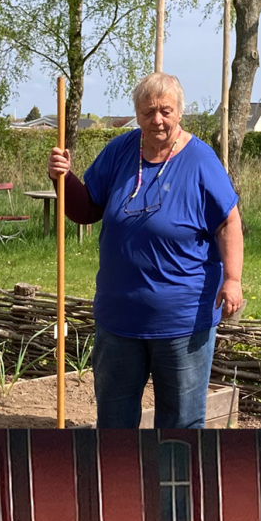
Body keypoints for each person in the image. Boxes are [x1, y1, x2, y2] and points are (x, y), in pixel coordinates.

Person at [48, 71, 244, 428]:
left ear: (180, 112)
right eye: (148, 111)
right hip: (119, 318)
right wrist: (64, 178)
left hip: (182, 320)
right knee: (115, 421)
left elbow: (228, 221)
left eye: (166, 111)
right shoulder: (119, 151)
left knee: (181, 422)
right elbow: (85, 210)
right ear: (137, 114)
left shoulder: (200, 160)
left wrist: (232, 279)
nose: (157, 119)